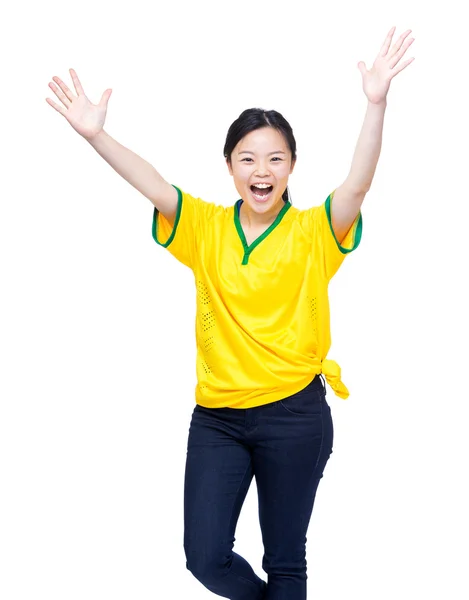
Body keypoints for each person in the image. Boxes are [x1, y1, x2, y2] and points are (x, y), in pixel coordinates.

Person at [46, 26, 414, 600]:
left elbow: (359, 186)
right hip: (217, 418)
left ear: (291, 166)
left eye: (274, 158)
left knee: (286, 560)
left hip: (295, 416)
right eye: (247, 158)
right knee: (205, 556)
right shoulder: (206, 229)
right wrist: (98, 137)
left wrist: (376, 103)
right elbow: (154, 186)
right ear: (230, 167)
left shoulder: (315, 231)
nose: (260, 170)